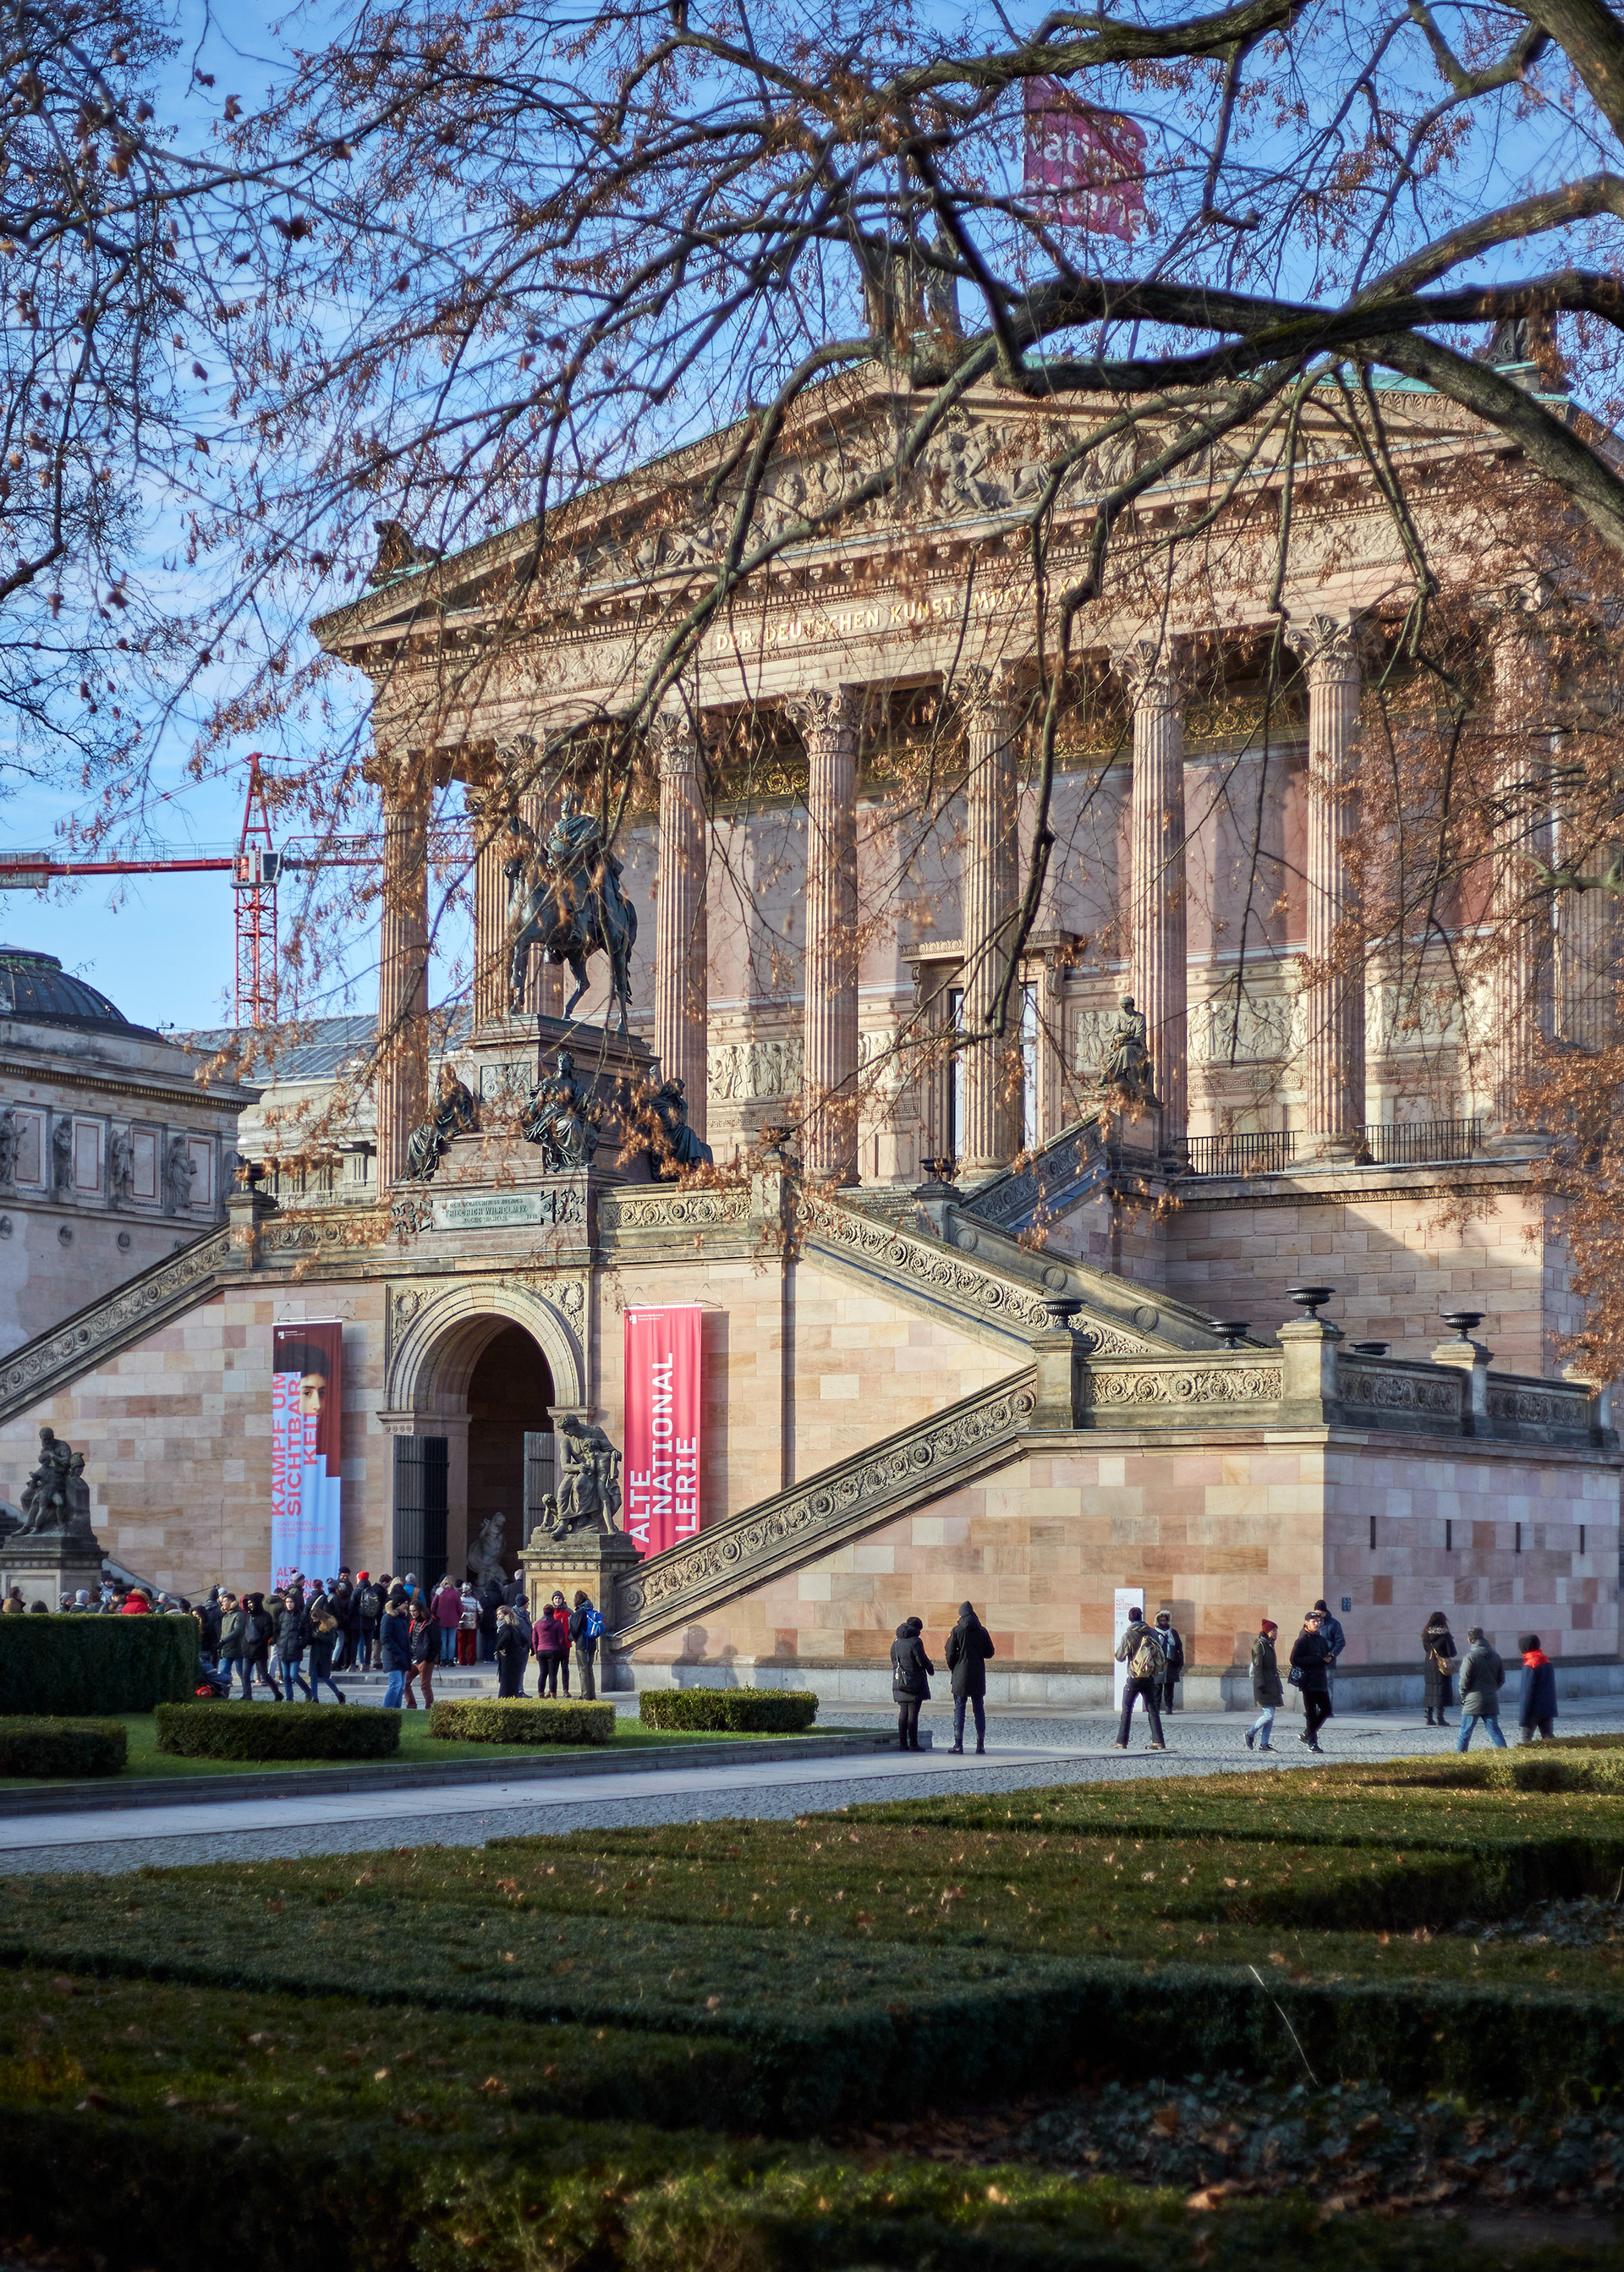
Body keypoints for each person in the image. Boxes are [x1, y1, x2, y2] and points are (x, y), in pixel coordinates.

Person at [1111, 1605, 1166, 1751]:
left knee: (1127, 1709)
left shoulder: (1129, 1635)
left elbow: (1120, 1657)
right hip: (1149, 1676)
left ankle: (1121, 1742)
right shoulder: (1152, 1633)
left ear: (1130, 1618)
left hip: (1135, 1676)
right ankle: (1158, 1741)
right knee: (1152, 1709)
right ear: (1141, 1617)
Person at [944, 1600, 994, 1754]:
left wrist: (954, 1667)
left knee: (959, 1709)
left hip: (961, 1673)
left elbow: (950, 1653)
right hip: (977, 1673)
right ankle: (980, 1745)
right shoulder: (982, 1630)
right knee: (979, 1710)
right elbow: (989, 1652)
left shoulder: (957, 1630)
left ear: (960, 1615)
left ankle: (958, 1744)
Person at [1457, 1625, 1507, 1750]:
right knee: (1495, 1731)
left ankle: (1459, 1762)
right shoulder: (1496, 1656)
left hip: (1473, 1699)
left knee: (1465, 1732)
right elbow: (1501, 1679)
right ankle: (1506, 1756)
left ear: (1469, 1640)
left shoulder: (1470, 1657)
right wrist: (1491, 1689)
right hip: (1491, 1698)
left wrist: (1463, 1695)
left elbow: (1464, 1681)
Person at [1290, 1611, 1333, 1753]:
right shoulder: (1302, 1640)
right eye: (1314, 1621)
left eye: (1318, 1621)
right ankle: (1312, 1742)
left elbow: (1326, 1656)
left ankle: (1308, 1734)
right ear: (1307, 1623)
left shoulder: (1321, 1640)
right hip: (1308, 1681)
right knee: (1311, 1713)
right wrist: (1317, 1660)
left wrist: (1329, 1659)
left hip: (1320, 1680)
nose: (1317, 1624)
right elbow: (1295, 1660)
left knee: (1326, 1709)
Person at [890, 1615, 932, 1750]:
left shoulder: (896, 1642)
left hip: (900, 1681)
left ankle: (903, 1744)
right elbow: (921, 1660)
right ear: (918, 1628)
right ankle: (913, 1743)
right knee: (913, 1713)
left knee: (903, 1711)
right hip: (914, 1682)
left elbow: (894, 1660)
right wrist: (930, 1668)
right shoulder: (916, 1641)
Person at [1245, 1617, 1282, 1752]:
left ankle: (1264, 1744)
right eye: (1273, 1631)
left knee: (1270, 1717)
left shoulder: (1269, 1645)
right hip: (1263, 1685)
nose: (1275, 1633)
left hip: (1271, 1684)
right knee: (1268, 1715)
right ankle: (1250, 1734)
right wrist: (1260, 1684)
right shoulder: (1259, 1646)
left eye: (1276, 1630)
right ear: (1267, 1632)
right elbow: (1257, 1667)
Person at [307, 1594, 347, 1704]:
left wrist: (318, 1634)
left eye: (315, 1619)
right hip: (315, 1653)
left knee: (326, 1677)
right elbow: (311, 1638)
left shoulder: (329, 1625)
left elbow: (330, 1640)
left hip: (324, 1654)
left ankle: (339, 1694)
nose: (314, 1620)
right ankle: (315, 1698)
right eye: (313, 1619)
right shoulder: (312, 1626)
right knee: (313, 1677)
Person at [379, 1586, 414, 1710]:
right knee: (395, 1684)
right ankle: (387, 1710)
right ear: (398, 1604)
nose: (406, 1605)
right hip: (393, 1657)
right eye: (404, 1603)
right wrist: (398, 1652)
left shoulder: (402, 1619)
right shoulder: (388, 1618)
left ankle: (396, 1710)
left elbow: (405, 1638)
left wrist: (409, 1652)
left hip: (402, 1657)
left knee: (401, 1685)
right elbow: (385, 1638)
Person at [1518, 1633, 1558, 1742]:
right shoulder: (1547, 1662)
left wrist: (1523, 1717)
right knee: (1548, 1739)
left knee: (1526, 1740)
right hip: (1547, 1709)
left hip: (1533, 1711)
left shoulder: (1530, 1665)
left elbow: (1527, 1693)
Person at [277, 1585, 313, 1702]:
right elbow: (278, 1631)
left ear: (295, 1603)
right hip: (283, 1649)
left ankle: (308, 1691)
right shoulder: (282, 1616)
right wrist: (279, 1642)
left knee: (294, 1675)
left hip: (295, 1649)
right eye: (287, 1602)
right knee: (286, 1677)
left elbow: (307, 1633)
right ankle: (289, 1698)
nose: (289, 1604)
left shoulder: (302, 1616)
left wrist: (301, 1643)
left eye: (291, 1602)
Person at [241, 1591, 279, 1699]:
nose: (250, 1605)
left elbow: (268, 1632)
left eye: (251, 1603)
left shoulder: (265, 1616)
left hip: (259, 1651)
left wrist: (260, 1643)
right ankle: (247, 1695)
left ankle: (277, 1693)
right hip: (248, 1650)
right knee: (245, 1675)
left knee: (264, 1675)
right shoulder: (248, 1616)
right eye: (248, 1603)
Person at [1422, 1610, 1456, 1726]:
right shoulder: (1445, 1635)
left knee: (1430, 1689)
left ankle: (1429, 1718)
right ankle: (1440, 1718)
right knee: (1441, 1690)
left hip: (1429, 1663)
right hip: (1441, 1665)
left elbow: (1426, 1649)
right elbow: (1452, 1652)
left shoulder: (1426, 1635)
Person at [403, 1600, 436, 1711]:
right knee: (404, 1682)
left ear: (420, 1610)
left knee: (425, 1685)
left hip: (424, 1659)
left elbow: (435, 1643)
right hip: (413, 1658)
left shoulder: (430, 1623)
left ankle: (430, 1707)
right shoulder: (412, 1622)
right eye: (410, 1611)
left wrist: (429, 1659)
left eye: (414, 1611)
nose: (412, 1613)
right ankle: (411, 1704)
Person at [570, 1590, 601, 1700]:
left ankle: (585, 1695)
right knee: (589, 1669)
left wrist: (573, 1638)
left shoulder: (580, 1612)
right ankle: (592, 1695)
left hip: (582, 1644)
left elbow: (574, 1629)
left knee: (583, 1670)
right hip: (592, 1644)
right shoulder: (591, 1611)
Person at [534, 1596, 567, 1698]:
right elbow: (561, 1640)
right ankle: (553, 1694)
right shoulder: (557, 1624)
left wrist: (536, 1652)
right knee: (553, 1674)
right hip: (553, 1651)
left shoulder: (537, 1624)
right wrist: (564, 1652)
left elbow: (534, 1640)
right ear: (552, 1613)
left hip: (541, 1650)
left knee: (543, 1673)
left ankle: (541, 1694)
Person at [1313, 1598, 1346, 1695]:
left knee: (1327, 1688)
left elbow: (1340, 1642)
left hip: (1328, 1663)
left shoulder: (1334, 1624)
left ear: (1325, 1612)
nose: (1318, 1616)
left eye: (1320, 1613)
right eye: (1316, 1613)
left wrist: (1331, 1655)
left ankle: (1327, 1710)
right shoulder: (1313, 1623)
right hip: (1314, 1663)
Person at [1154, 1610, 1184, 1713]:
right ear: (1158, 1621)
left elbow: (1179, 1647)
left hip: (1171, 1662)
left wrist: (1181, 1662)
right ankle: (1156, 1707)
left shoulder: (1173, 1633)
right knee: (1157, 1686)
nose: (1163, 1622)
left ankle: (1169, 1707)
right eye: (1161, 1620)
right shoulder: (1154, 1633)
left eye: (1165, 1620)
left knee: (1169, 1687)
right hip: (1158, 1663)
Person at [495, 1606, 528, 1699]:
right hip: (516, 1658)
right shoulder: (515, 1627)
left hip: (508, 1659)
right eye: (497, 1615)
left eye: (500, 1614)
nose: (498, 1616)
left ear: (507, 1615)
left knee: (505, 1686)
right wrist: (518, 1649)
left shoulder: (505, 1627)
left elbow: (506, 1637)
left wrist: (499, 1648)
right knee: (513, 1687)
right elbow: (525, 1640)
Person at [354, 1571, 382, 1671]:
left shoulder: (357, 1591)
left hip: (360, 1622)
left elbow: (352, 1606)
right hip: (371, 1622)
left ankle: (361, 1663)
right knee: (369, 1644)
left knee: (360, 1643)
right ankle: (367, 1663)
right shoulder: (372, 1591)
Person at [547, 1592, 571, 1695]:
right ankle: (552, 1690)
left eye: (559, 1598)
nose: (557, 1600)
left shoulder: (569, 1612)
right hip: (553, 1645)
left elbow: (573, 1627)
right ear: (553, 1600)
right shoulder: (550, 1612)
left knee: (565, 1667)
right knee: (553, 1669)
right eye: (556, 1598)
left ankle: (565, 1690)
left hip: (565, 1644)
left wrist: (570, 1638)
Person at [434, 1577, 460, 1666]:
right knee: (452, 1639)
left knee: (443, 1639)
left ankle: (443, 1660)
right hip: (453, 1620)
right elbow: (460, 1608)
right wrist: (457, 1617)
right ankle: (450, 1660)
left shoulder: (439, 1592)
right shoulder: (456, 1593)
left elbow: (433, 1606)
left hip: (441, 1619)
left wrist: (435, 1615)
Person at [458, 1583, 479, 1666]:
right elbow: (481, 1611)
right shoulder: (475, 1600)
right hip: (472, 1625)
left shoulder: (459, 1600)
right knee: (472, 1644)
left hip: (461, 1624)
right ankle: (471, 1661)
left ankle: (462, 1661)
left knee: (461, 1644)